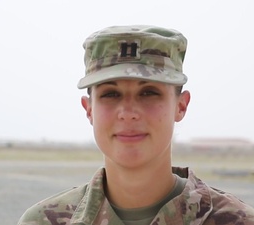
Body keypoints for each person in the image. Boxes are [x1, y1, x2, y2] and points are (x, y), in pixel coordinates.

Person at [17, 25, 254, 225]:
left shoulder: (237, 220)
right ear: (89, 109)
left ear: (181, 106)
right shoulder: (44, 221)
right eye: (110, 94)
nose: (128, 113)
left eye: (149, 92)